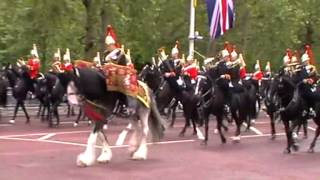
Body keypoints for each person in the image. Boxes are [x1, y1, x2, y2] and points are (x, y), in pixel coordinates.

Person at [104, 25, 137, 115]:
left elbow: (119, 64)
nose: (107, 47)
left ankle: (128, 106)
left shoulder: (119, 53)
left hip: (124, 74)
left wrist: (111, 65)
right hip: (112, 75)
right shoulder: (108, 54)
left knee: (124, 85)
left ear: (112, 45)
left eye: (108, 46)